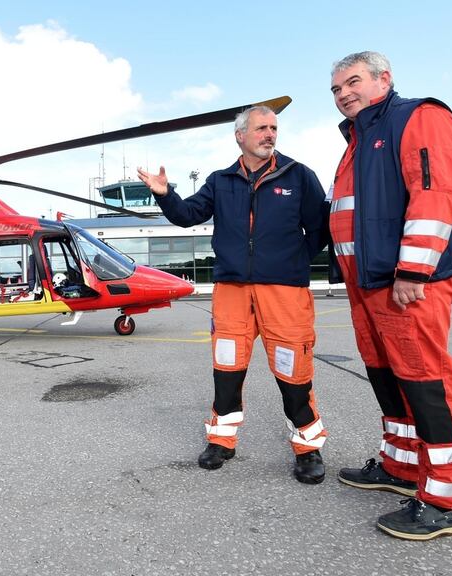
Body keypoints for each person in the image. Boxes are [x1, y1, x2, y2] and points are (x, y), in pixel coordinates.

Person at [328, 51, 452, 540]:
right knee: (386, 373)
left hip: (403, 280)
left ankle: (444, 500)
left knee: (424, 377)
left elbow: (434, 193)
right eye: (336, 90)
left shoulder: (418, 116)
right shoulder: (359, 139)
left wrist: (414, 271)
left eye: (352, 83)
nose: (343, 95)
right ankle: (401, 467)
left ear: (385, 78)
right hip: (368, 282)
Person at [137, 105, 330, 484]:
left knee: (294, 372)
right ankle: (221, 440)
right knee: (227, 368)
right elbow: (188, 214)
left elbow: (320, 229)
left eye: (273, 128)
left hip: (285, 292)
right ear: (240, 136)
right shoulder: (221, 180)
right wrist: (165, 194)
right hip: (231, 292)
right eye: (261, 128)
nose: (269, 134)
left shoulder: (299, 175)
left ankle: (308, 448)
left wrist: (292, 261)